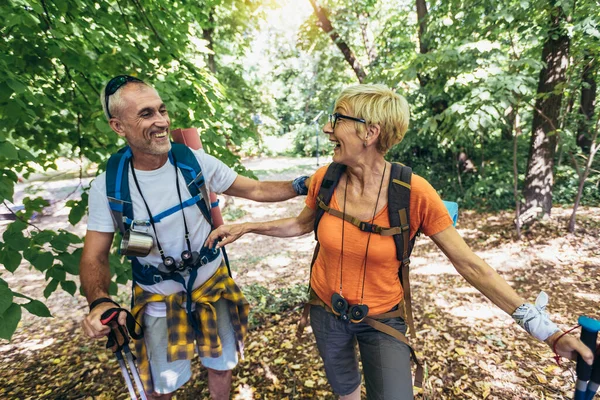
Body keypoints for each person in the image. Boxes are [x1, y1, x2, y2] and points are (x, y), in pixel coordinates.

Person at [205, 84, 594, 400]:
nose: (328, 129)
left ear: (369, 132)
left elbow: (471, 265)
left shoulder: (414, 193)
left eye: (337, 119)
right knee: (345, 392)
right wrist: (248, 227)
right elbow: (301, 225)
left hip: (381, 321)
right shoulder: (327, 177)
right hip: (325, 311)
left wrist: (547, 330)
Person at [80, 75, 310, 400]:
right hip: (157, 300)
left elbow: (256, 189)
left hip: (212, 288)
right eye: (146, 114)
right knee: (162, 387)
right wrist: (99, 300)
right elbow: (94, 257)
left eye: (162, 110)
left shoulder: (193, 162)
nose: (161, 122)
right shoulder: (109, 187)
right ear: (118, 126)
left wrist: (306, 184)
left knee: (221, 366)